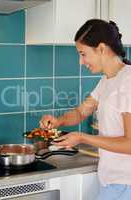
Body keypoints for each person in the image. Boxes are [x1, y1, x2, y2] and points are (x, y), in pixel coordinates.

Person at [40, 19, 131, 200]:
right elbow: (82, 112)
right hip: (113, 182)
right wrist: (59, 121)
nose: (81, 62)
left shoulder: (128, 82)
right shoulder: (107, 80)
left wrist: (82, 137)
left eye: (83, 54)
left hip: (125, 184)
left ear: (102, 49)